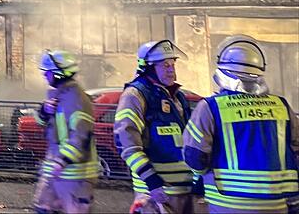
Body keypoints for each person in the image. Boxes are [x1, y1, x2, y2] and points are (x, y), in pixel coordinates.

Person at [182, 35, 299, 213]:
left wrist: (201, 176)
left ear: (223, 72)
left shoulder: (211, 107)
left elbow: (194, 155)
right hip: (277, 203)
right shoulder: (281, 106)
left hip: (228, 203)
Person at [115, 39, 195, 214]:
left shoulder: (178, 97)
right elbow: (126, 143)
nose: (171, 69)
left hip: (184, 191)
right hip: (156, 193)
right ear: (149, 67)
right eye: (165, 65)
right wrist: (151, 180)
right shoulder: (134, 95)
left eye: (173, 64)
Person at [33, 50, 98, 214]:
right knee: (43, 208)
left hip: (75, 176)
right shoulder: (58, 96)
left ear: (58, 74)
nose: (45, 76)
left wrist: (61, 161)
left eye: (47, 73)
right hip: (57, 172)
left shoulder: (76, 99)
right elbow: (42, 123)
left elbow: (80, 136)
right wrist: (44, 111)